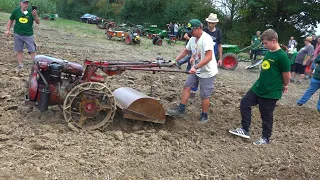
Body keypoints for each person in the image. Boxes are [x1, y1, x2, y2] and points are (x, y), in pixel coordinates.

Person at [229, 29, 291, 145]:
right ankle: (245, 129)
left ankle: (265, 138)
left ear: (273, 41)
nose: (264, 45)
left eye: (266, 43)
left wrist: (285, 85)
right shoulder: (269, 51)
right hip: (258, 87)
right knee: (244, 103)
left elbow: (286, 74)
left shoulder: (282, 56)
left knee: (266, 116)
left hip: (270, 91)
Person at [167, 19, 218, 123]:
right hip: (197, 69)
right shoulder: (193, 39)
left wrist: (195, 67)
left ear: (198, 28)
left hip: (207, 72)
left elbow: (209, 57)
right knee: (187, 86)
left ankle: (204, 115)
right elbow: (186, 51)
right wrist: (175, 61)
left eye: (191, 30)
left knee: (204, 95)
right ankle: (181, 109)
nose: (189, 33)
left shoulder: (206, 39)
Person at [5, 0, 40, 72]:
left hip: (28, 35)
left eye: (27, 3)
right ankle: (20, 65)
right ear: (20, 3)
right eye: (24, 3)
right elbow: (11, 20)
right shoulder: (16, 11)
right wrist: (8, 30)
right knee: (19, 50)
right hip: (18, 34)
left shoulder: (31, 12)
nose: (25, 5)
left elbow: (38, 22)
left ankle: (36, 66)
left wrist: (35, 15)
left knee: (32, 50)